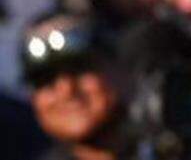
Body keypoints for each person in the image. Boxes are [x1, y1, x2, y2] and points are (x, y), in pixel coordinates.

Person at [22, 9, 138, 160]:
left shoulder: (172, 144)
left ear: (119, 69)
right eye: (45, 80)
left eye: (79, 69)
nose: (66, 91)